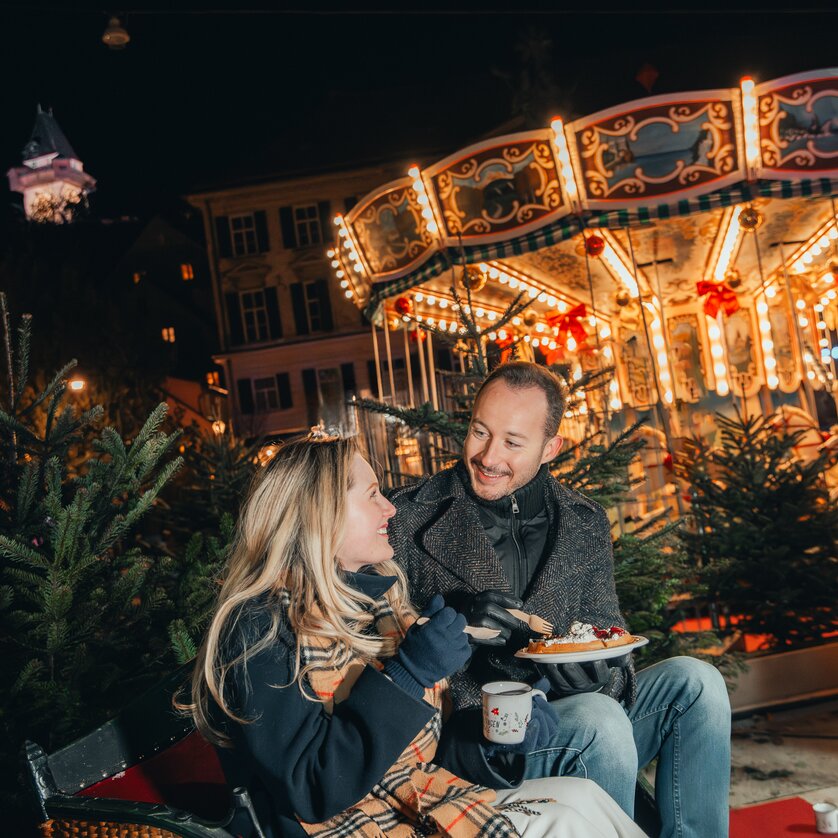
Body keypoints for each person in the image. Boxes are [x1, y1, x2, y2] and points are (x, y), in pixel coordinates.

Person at [183, 434, 646, 838]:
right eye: (371, 496)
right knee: (564, 825)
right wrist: (408, 672)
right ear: (320, 515)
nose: (389, 507)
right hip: (352, 826)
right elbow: (312, 788)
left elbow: (429, 755)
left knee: (584, 798)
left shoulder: (380, 605)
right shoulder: (260, 627)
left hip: (416, 801)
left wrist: (497, 738)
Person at [388, 361, 732, 838]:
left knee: (698, 682)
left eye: (512, 442)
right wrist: (447, 617)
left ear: (551, 448)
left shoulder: (584, 521)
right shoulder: (406, 517)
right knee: (600, 719)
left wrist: (601, 673)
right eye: (479, 432)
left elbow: (608, 636)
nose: (488, 456)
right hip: (482, 741)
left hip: (576, 717)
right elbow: (378, 653)